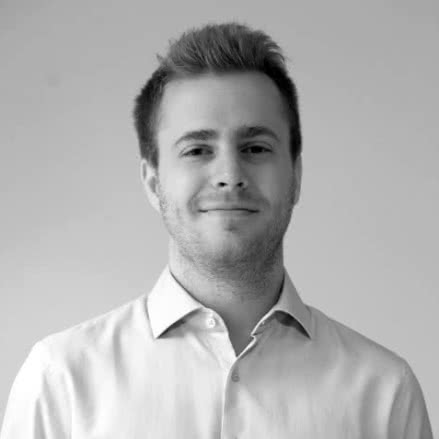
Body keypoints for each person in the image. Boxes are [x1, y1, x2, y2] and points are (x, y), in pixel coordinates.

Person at [0, 22, 433, 439]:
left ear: (296, 175)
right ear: (152, 181)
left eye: (256, 148)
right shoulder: (61, 379)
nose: (230, 174)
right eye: (197, 150)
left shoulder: (384, 391)